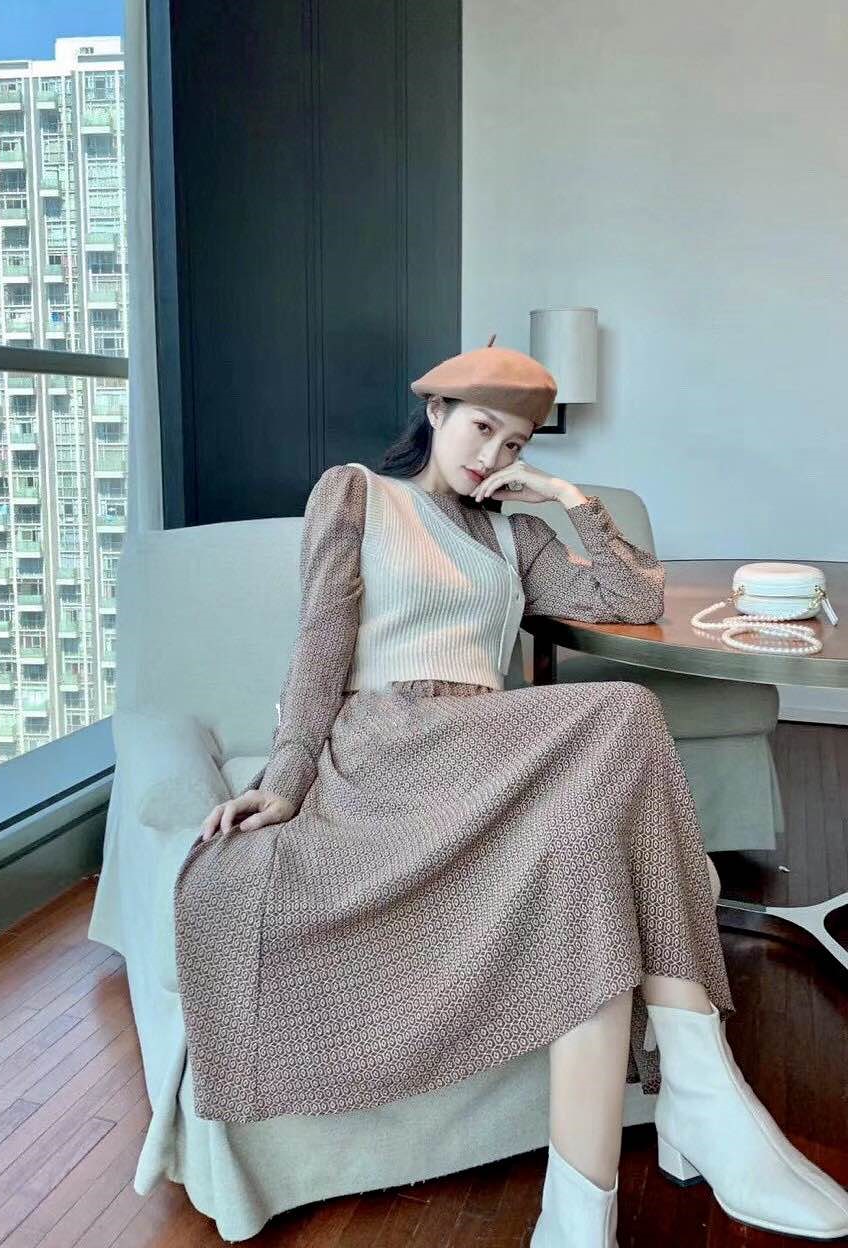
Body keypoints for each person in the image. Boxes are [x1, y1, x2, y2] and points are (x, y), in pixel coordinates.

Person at [180, 341, 848, 1247]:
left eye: (515, 443)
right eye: (481, 428)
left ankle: (576, 1218)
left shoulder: (512, 536)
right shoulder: (357, 494)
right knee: (623, 711)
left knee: (590, 849)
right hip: (390, 746)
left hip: (488, 756)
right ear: (437, 413)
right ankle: (702, 1091)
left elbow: (631, 598)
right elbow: (320, 643)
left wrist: (568, 500)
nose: (490, 455)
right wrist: (288, 778)